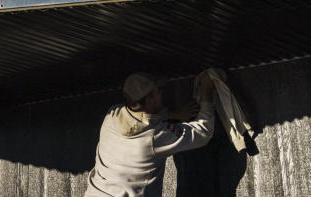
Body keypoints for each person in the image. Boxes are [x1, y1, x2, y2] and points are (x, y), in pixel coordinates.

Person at [84, 71, 216, 197]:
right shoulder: (153, 137)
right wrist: (206, 90)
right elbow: (203, 132)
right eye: (159, 90)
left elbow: (143, 118)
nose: (162, 93)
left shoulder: (112, 115)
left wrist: (173, 114)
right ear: (149, 99)